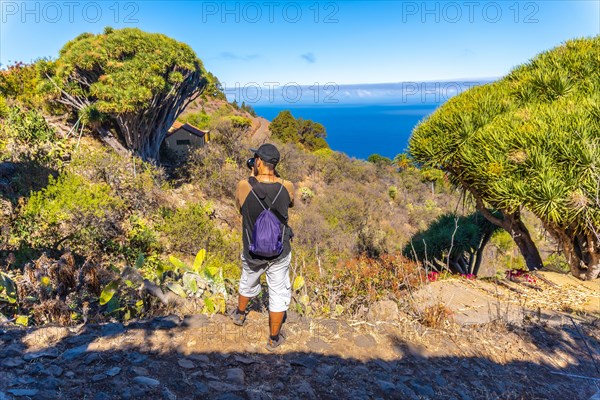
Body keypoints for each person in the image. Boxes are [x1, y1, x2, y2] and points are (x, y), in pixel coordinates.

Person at [232, 143, 295, 351]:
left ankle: (240, 315)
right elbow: (290, 202)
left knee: (247, 280)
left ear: (258, 161)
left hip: (252, 250)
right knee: (278, 292)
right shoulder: (288, 186)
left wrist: (252, 176)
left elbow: (240, 207)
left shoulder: (244, 185)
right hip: (279, 251)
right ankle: (273, 339)